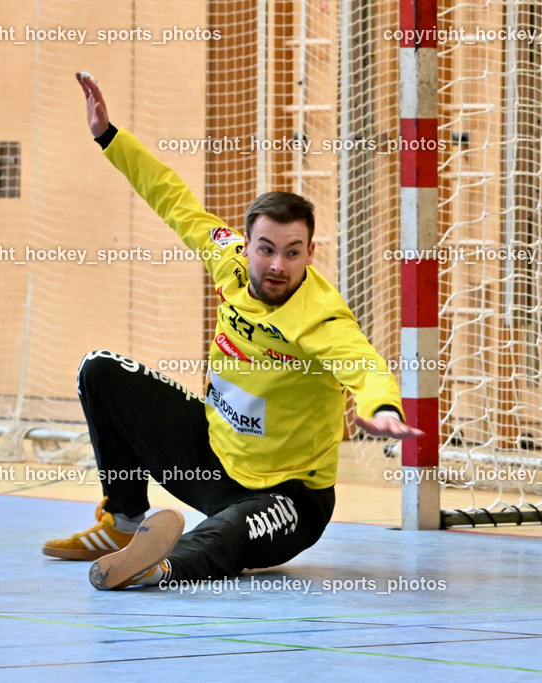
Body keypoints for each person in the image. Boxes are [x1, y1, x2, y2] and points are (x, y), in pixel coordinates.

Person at [43, 72, 423, 591]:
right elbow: (173, 198)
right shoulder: (231, 263)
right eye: (266, 249)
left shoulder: (320, 317)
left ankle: (157, 565)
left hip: (288, 497)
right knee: (101, 370)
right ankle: (124, 521)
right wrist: (110, 137)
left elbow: (364, 364)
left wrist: (384, 408)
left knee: (227, 532)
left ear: (310, 254)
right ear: (246, 245)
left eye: (292, 252)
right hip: (212, 462)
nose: (277, 265)